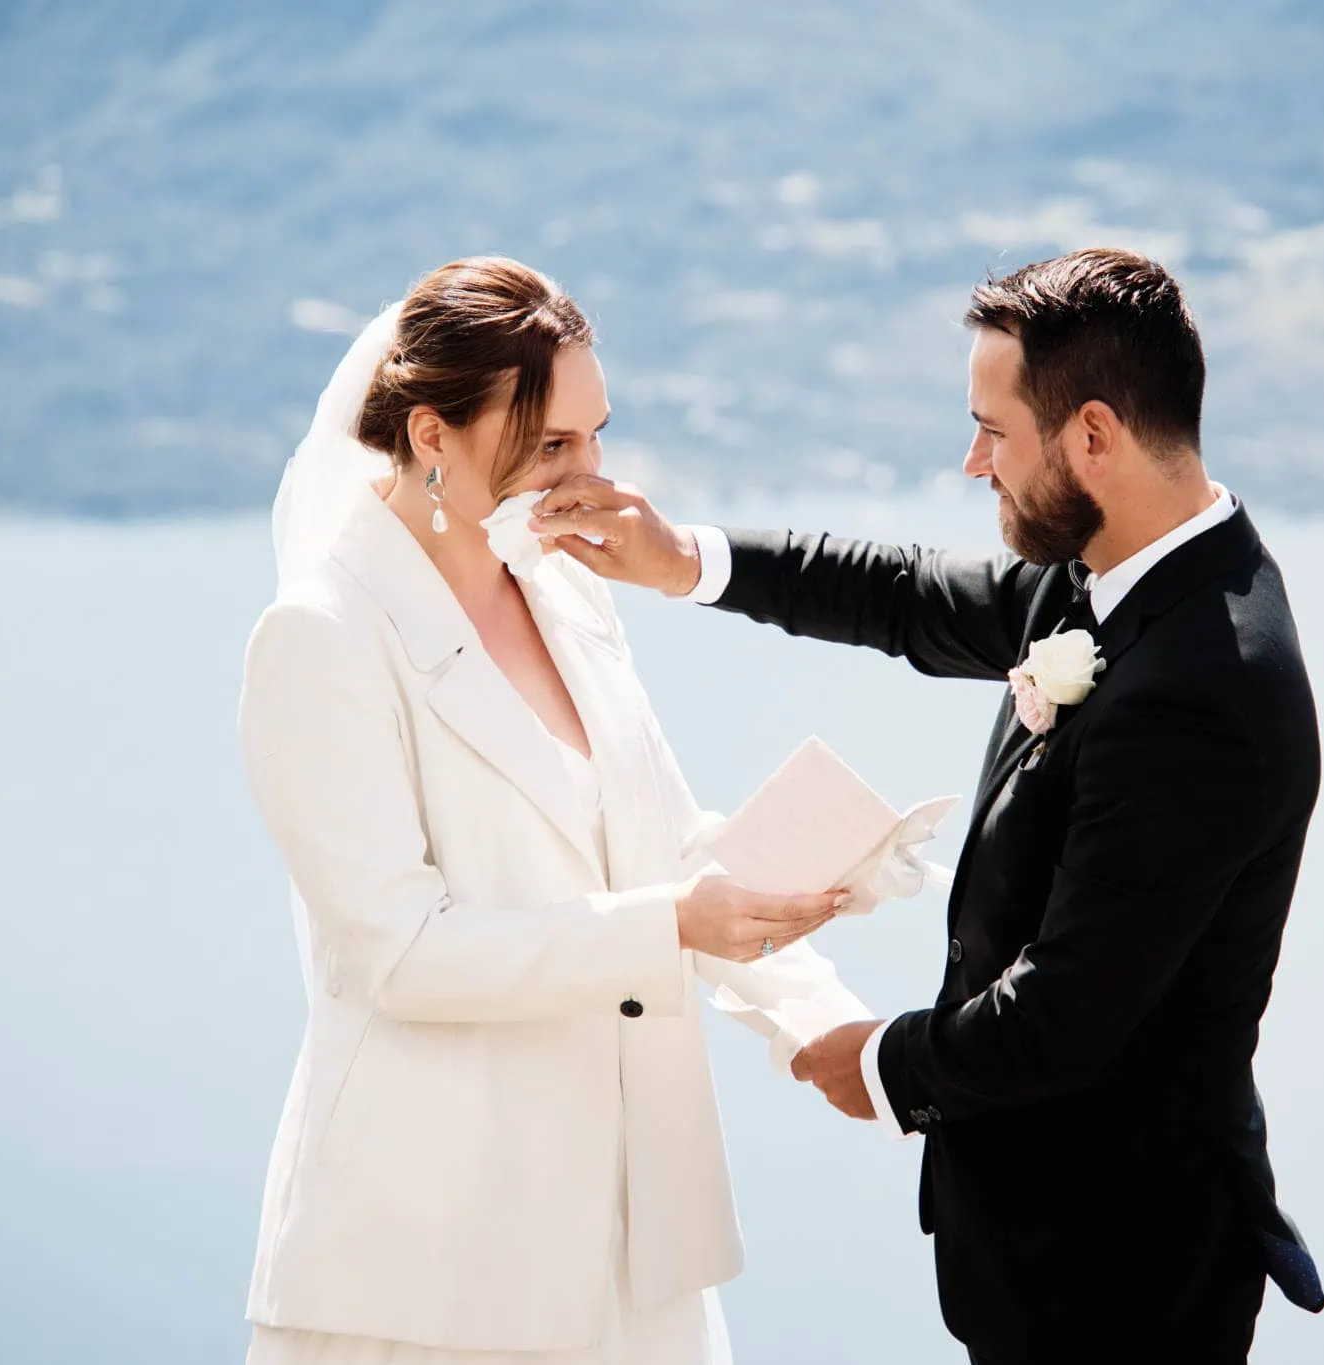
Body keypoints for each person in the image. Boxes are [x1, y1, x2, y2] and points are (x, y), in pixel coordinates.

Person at [532, 248, 1324, 1363]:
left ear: (1091, 436)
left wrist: (871, 1065)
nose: (970, 462)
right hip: (1038, 1252)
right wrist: (682, 562)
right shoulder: (1118, 568)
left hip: (1123, 1273)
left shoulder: (1206, 685)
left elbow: (1065, 1013)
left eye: (992, 432)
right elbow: (905, 593)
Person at [236, 256, 876, 1365]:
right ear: (431, 436)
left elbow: (666, 844)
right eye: (550, 445)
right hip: (428, 1270)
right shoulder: (321, 636)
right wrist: (672, 924)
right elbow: (401, 952)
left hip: (636, 1253)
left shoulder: (565, 584)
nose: (590, 476)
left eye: (594, 436)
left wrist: (816, 1021)